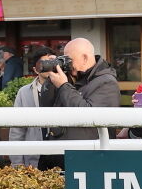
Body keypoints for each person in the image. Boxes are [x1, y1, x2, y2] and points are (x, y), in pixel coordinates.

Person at [38, 37, 121, 169]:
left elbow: (88, 116)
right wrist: (52, 76)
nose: (68, 64)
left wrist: (64, 85)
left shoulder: (107, 82)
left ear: (85, 58)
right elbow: (46, 105)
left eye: (70, 60)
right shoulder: (70, 78)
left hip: (86, 162)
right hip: (57, 158)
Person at [8, 46, 56, 168]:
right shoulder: (24, 93)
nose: (48, 66)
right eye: (43, 63)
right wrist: (17, 163)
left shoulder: (65, 89)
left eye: (51, 62)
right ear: (35, 69)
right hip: (33, 159)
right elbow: (17, 130)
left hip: (60, 156)